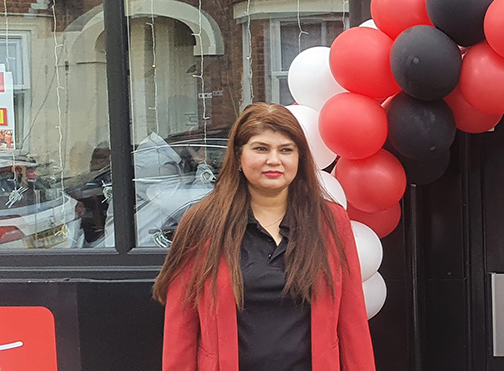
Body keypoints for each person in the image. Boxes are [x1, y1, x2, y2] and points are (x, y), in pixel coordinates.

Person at [152, 103, 375, 371]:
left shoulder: (330, 222)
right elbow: (181, 330)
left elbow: (352, 324)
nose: (274, 160)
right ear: (238, 155)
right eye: (261, 148)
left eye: (286, 150)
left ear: (299, 158)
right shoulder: (202, 224)